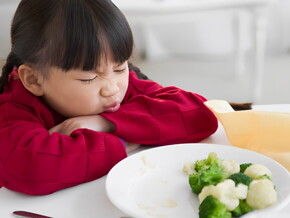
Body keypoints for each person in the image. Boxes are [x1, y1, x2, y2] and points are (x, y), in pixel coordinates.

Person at [0, 0, 218, 195]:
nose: (112, 89)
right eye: (90, 78)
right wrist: (125, 142)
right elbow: (31, 167)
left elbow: (200, 112)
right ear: (34, 80)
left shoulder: (123, 83)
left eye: (120, 67)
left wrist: (106, 123)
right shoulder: (13, 106)